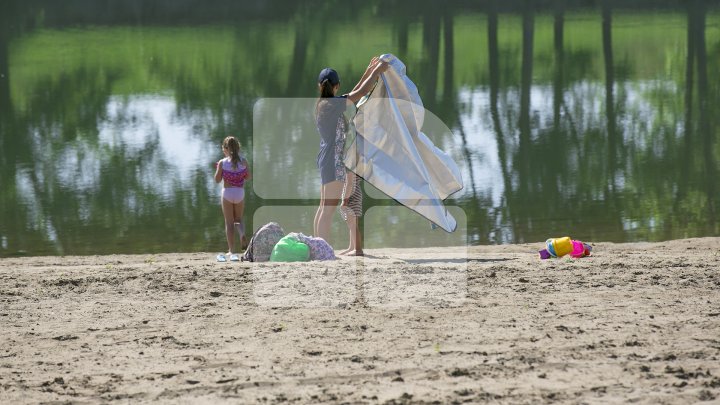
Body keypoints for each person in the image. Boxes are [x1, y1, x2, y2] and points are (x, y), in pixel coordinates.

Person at [312, 57, 388, 256]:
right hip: (333, 161)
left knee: (323, 208)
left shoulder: (324, 103)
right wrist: (378, 70)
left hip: (325, 159)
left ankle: (318, 249)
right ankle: (322, 252)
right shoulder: (333, 104)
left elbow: (355, 92)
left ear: (320, 86)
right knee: (327, 211)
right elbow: (361, 93)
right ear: (337, 86)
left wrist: (369, 69)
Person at [214, 136, 251, 261]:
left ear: (225, 149)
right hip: (239, 193)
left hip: (228, 193)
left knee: (229, 222)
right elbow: (248, 177)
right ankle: (242, 234)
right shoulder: (244, 161)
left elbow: (217, 180)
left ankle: (231, 250)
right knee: (239, 219)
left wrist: (219, 169)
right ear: (238, 148)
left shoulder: (222, 163)